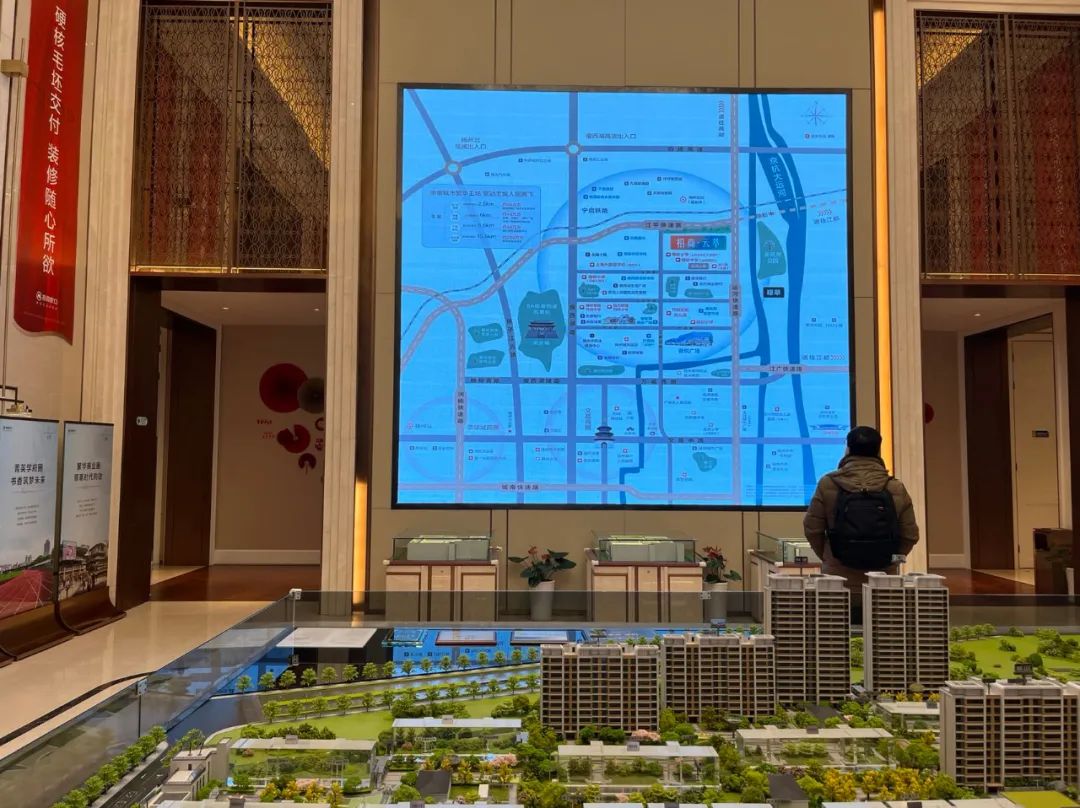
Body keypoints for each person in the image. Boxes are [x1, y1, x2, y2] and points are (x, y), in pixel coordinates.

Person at [803, 426, 919, 608]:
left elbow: (812, 529)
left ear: (848, 449)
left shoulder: (828, 484)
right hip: (882, 581)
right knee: (879, 624)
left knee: (834, 623)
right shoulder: (895, 487)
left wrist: (831, 557)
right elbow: (910, 535)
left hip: (836, 580)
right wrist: (890, 561)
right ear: (878, 451)